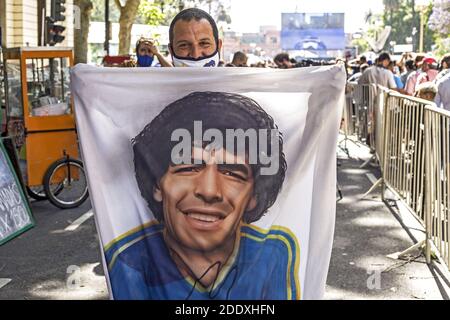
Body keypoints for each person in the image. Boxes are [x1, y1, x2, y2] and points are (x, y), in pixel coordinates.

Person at [106, 92, 299, 300]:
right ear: (157, 184)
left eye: (231, 173)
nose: (208, 191)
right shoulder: (130, 263)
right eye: (188, 168)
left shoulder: (274, 253)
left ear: (254, 195)